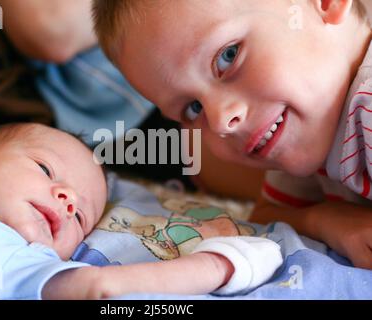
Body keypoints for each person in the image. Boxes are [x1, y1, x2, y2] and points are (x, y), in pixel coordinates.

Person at [91, 0, 372, 269]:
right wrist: (326, 220)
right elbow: (266, 214)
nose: (221, 121)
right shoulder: (306, 125)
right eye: (193, 108)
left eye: (229, 56)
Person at [0, 122, 282, 299]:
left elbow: (106, 288)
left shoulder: (20, 263)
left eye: (80, 218)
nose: (68, 200)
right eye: (45, 170)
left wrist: (222, 264)